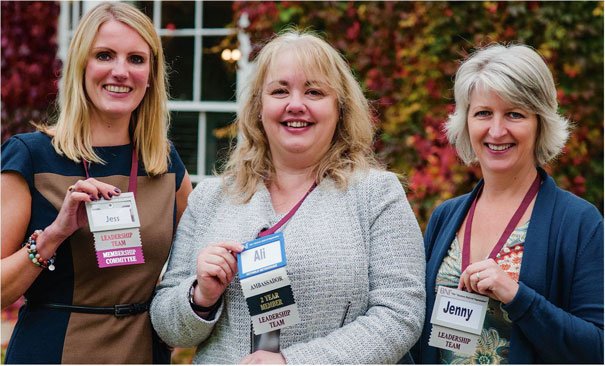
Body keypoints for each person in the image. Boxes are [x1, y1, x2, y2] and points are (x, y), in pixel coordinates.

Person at [150, 30, 425, 364]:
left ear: (339, 107)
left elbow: (401, 315)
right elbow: (169, 327)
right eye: (280, 91)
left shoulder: (375, 196)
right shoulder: (210, 198)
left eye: (314, 91)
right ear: (258, 107)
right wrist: (200, 296)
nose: (296, 105)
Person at [1, 2, 192, 363]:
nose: (121, 71)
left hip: (143, 353)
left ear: (151, 74)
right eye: (104, 55)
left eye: (136, 59)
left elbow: (191, 273)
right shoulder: (30, 157)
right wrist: (54, 234)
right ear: (80, 67)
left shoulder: (165, 166)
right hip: (52, 351)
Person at [411, 43, 603, 364]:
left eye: (515, 114)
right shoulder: (446, 217)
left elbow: (597, 348)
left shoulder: (580, 222)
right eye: (484, 113)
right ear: (466, 122)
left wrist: (518, 298)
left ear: (540, 122)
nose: (497, 130)